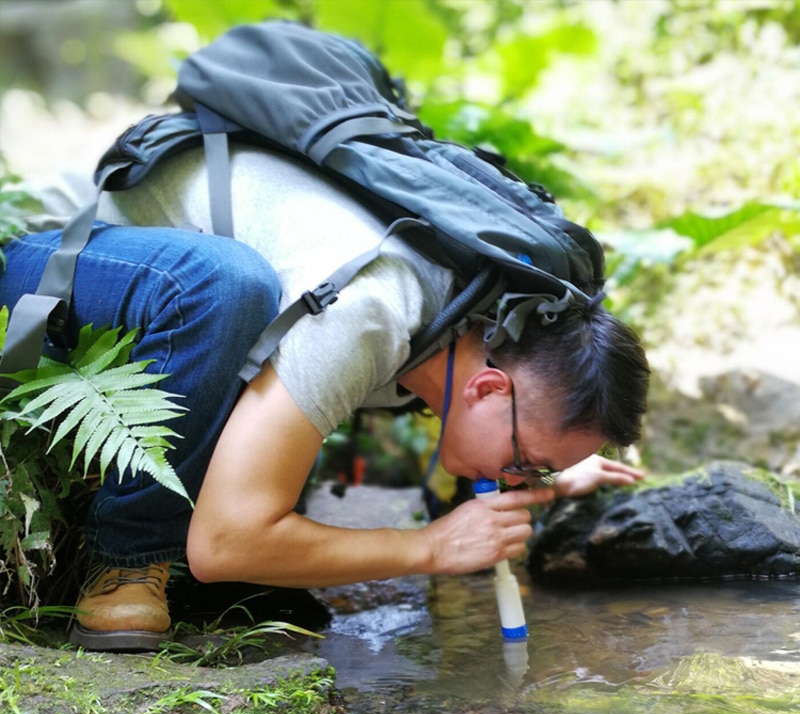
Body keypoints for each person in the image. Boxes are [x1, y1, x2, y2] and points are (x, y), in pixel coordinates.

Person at [1, 141, 649, 652]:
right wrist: (430, 547)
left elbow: (468, 426)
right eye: (525, 462)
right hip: (53, 266)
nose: (519, 479)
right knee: (229, 287)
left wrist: (552, 461)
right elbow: (223, 544)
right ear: (487, 386)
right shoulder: (370, 310)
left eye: (534, 473)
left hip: (133, 290)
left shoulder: (467, 322)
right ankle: (129, 557)